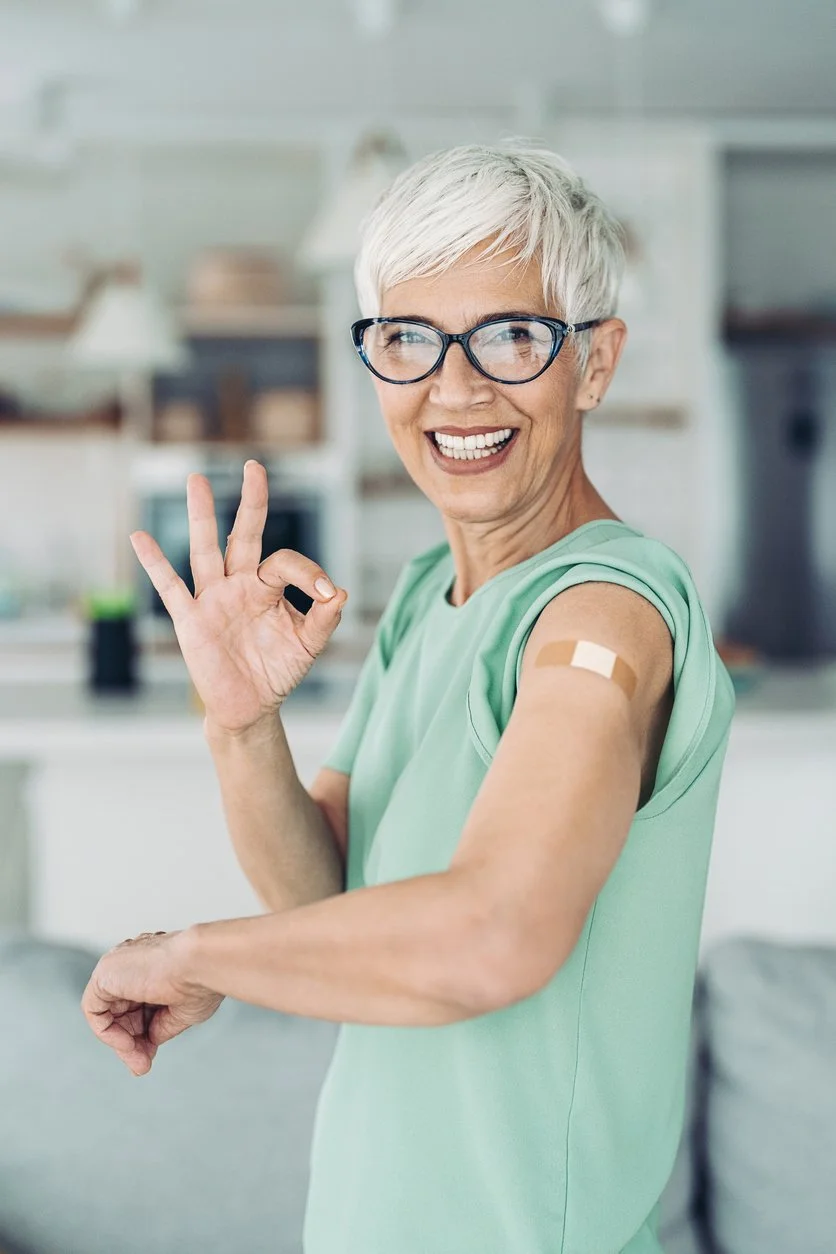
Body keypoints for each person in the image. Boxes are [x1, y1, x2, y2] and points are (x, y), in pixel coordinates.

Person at [81, 140, 736, 1254]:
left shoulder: (600, 617)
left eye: (512, 337)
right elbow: (322, 900)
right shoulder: (436, 593)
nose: (454, 387)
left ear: (595, 362)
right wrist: (242, 726)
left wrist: (192, 953)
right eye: (407, 340)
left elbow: (494, 936)